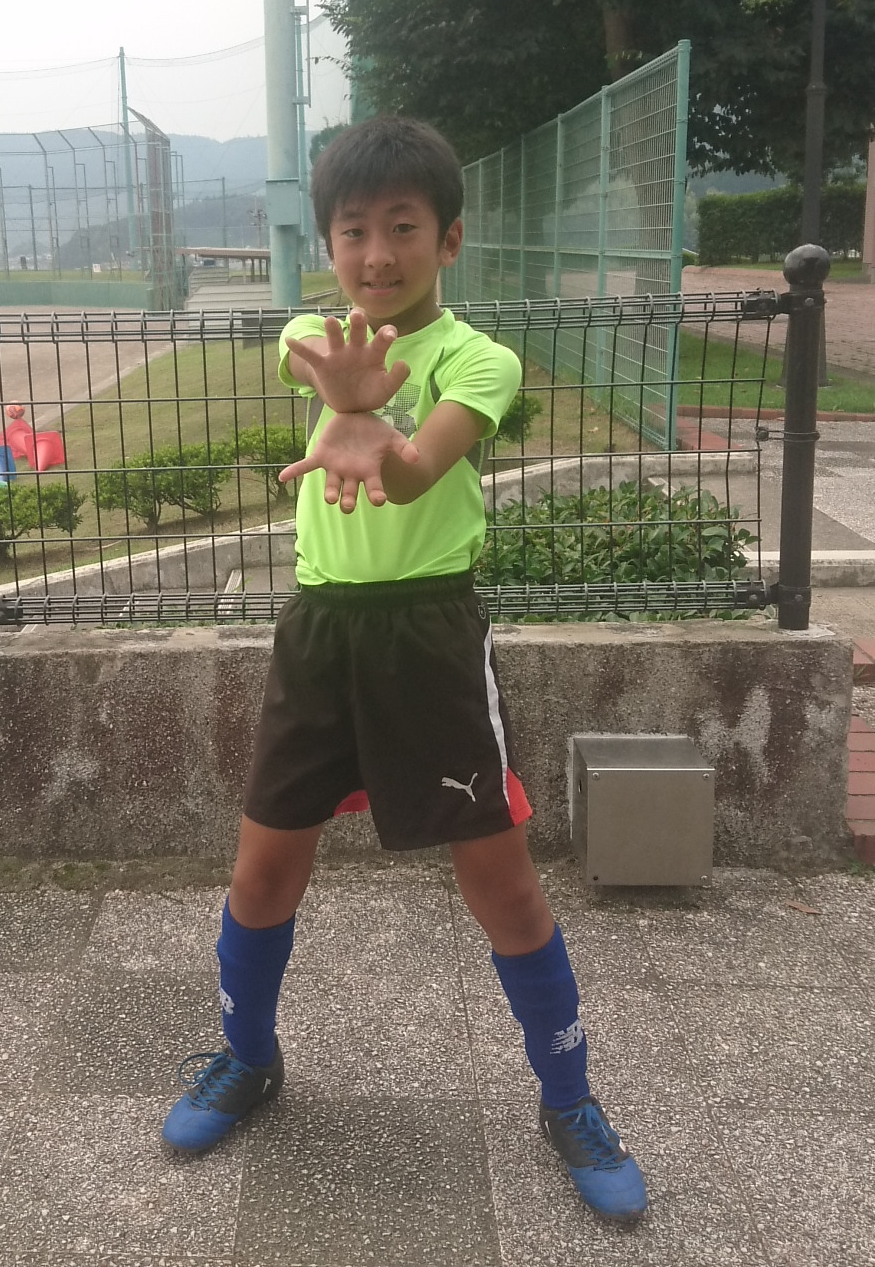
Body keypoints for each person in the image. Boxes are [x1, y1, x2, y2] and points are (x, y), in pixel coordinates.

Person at [158, 117, 648, 1222]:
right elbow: (312, 356)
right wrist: (344, 396)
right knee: (261, 874)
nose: (376, 255)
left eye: (402, 228)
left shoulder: (480, 359)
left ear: (449, 239)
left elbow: (418, 471)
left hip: (430, 637)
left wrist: (366, 418)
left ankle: (569, 1100)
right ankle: (248, 1059)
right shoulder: (310, 332)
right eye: (352, 231)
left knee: (502, 885)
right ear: (326, 245)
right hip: (319, 634)